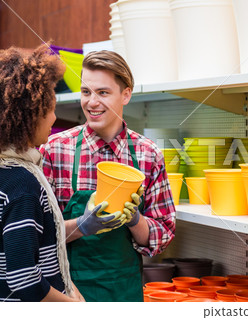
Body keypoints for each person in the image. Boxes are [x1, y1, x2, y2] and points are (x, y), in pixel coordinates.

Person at [40, 50, 176, 302]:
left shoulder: (148, 155)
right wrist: (83, 225)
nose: (92, 102)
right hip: (68, 294)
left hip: (124, 292)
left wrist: (134, 219)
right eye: (86, 92)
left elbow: (161, 236)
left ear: (126, 95)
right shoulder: (54, 150)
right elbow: (39, 236)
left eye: (103, 93)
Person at [0, 45, 84, 302]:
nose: (54, 117)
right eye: (49, 108)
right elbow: (25, 280)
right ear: (28, 116)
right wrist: (74, 307)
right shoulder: (22, 184)